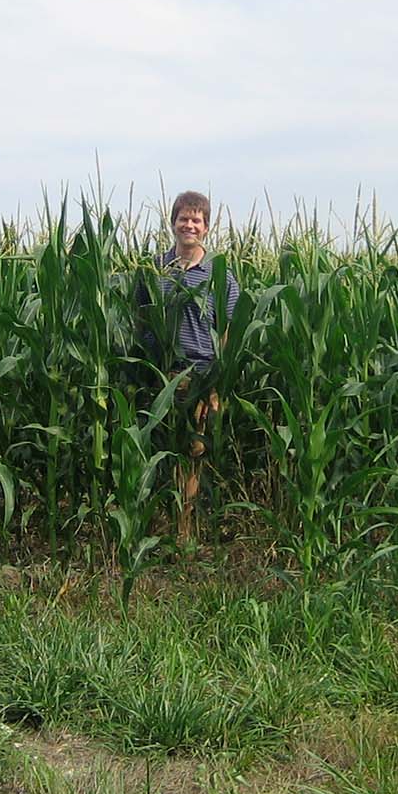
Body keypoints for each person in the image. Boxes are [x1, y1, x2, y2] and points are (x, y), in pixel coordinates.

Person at [135, 190, 240, 540]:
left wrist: (215, 381)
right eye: (184, 218)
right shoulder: (155, 270)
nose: (189, 225)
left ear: (206, 228)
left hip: (200, 376)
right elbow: (141, 318)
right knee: (157, 448)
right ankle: (156, 523)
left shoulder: (218, 274)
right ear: (173, 223)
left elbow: (229, 329)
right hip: (161, 374)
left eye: (197, 220)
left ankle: (184, 527)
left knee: (192, 453)